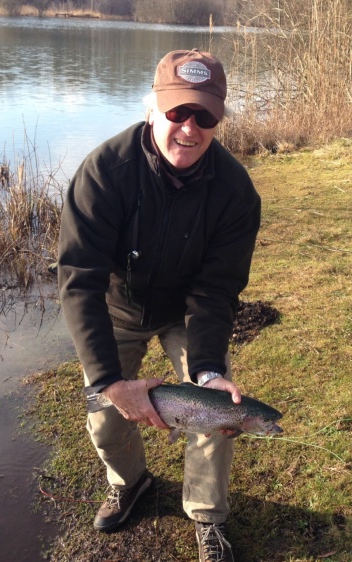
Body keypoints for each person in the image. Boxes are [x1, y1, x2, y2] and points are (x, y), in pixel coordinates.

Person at [57, 48, 261, 562]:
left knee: (216, 409)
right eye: (178, 112)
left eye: (205, 116)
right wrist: (109, 380)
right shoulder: (104, 172)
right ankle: (131, 483)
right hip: (117, 307)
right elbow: (79, 281)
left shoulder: (236, 193)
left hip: (186, 315)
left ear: (219, 121)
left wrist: (210, 369)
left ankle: (207, 517)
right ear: (153, 108)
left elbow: (216, 291)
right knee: (102, 414)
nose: (189, 129)